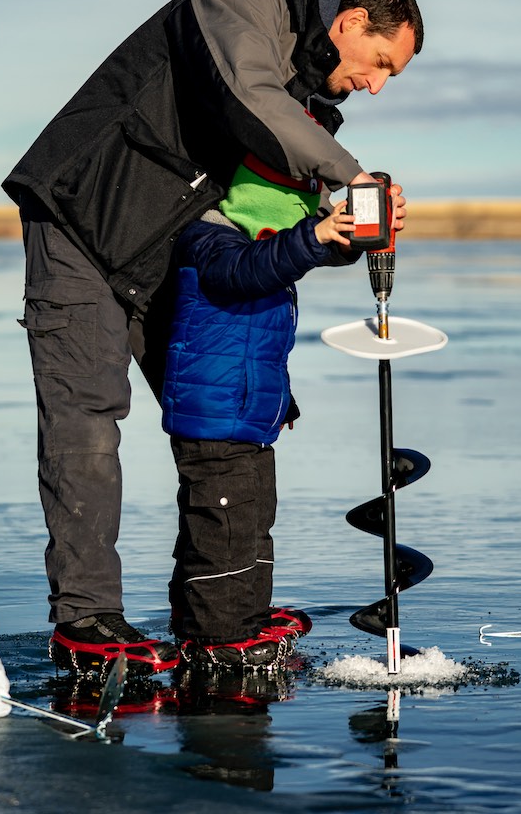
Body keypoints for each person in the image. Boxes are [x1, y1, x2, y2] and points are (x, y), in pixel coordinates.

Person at [2, 0, 423, 676]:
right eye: (381, 64)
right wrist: (351, 176)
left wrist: (345, 231)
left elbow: (279, 224)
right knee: (88, 416)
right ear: (350, 22)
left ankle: (218, 620)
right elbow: (245, 94)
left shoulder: (310, 104)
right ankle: (88, 620)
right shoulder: (241, 0)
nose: (377, 85)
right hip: (80, 218)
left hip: (169, 248)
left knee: (227, 419)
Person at [163, 154, 357, 669]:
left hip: (248, 412)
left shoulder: (262, 250)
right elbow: (246, 272)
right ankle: (219, 636)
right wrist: (313, 237)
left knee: (250, 516)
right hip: (212, 414)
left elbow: (257, 343)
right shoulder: (209, 239)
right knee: (222, 523)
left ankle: (244, 616)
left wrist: (354, 235)